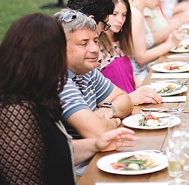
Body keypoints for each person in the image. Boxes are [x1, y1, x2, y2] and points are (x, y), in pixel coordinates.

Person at [0, 13, 138, 185]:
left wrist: (96, 144)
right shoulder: (12, 110)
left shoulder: (37, 91)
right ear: (40, 55)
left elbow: (53, 151)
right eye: (59, 49)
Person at [54, 9, 134, 138]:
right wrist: (115, 121)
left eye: (95, 41)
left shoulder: (87, 71)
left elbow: (125, 100)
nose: (94, 49)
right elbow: (97, 131)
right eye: (83, 43)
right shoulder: (59, 80)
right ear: (60, 47)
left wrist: (107, 110)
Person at [99, 0, 163, 105]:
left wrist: (141, 85)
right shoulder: (97, 48)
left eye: (124, 15)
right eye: (115, 14)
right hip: (119, 107)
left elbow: (131, 78)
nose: (120, 20)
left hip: (136, 101)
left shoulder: (121, 42)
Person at [130, 0, 184, 81]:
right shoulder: (135, 15)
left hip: (145, 73)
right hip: (138, 79)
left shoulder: (139, 12)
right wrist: (172, 43)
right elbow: (141, 58)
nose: (162, 0)